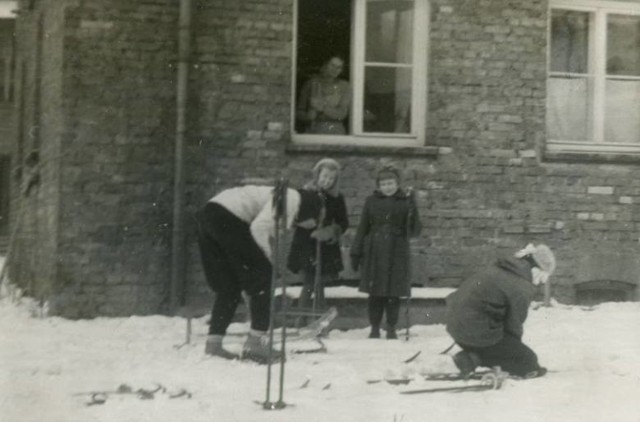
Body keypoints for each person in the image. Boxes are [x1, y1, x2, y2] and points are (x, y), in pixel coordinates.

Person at [195, 184, 322, 363]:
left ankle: (213, 343)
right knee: (264, 277)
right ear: (310, 210)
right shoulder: (292, 198)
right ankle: (256, 343)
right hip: (228, 216)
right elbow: (259, 229)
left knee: (229, 287)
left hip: (209, 215)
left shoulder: (281, 194)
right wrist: (266, 260)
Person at [445, 243, 556, 379]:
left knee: (503, 346)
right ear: (536, 270)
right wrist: (514, 352)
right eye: (543, 278)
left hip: (456, 326)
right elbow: (514, 325)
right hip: (475, 330)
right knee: (528, 361)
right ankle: (472, 359)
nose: (541, 283)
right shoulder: (521, 285)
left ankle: (474, 354)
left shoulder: (504, 269)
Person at [350, 165, 422, 339]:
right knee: (375, 293)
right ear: (378, 186)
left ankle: (391, 327)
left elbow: (414, 230)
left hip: (397, 251)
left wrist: (413, 206)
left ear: (397, 184)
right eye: (383, 184)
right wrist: (356, 252)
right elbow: (362, 228)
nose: (387, 187)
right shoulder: (371, 201)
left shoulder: (405, 201)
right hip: (375, 251)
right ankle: (374, 327)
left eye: (391, 183)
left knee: (393, 292)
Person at [287, 158, 349, 315]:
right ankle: (302, 319)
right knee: (309, 281)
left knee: (319, 282)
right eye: (324, 177)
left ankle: (317, 318)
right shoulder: (304, 193)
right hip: (306, 244)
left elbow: (343, 222)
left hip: (325, 246)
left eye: (331, 179)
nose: (326, 181)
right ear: (317, 175)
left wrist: (331, 231)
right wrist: (301, 222)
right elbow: (291, 214)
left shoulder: (337, 198)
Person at [296, 56, 351, 134]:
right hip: (314, 130)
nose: (335, 69)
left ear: (342, 70)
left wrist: (322, 107)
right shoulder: (310, 84)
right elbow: (299, 112)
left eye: (339, 67)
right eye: (332, 65)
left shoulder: (344, 86)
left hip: (335, 131)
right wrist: (308, 116)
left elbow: (342, 114)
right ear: (325, 65)